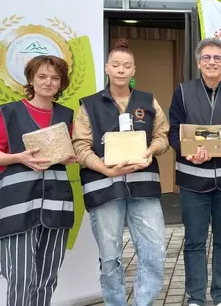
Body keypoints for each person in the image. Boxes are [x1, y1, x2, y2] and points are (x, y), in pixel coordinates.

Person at [72, 38, 170, 306]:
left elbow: (163, 135)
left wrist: (151, 151)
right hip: (103, 188)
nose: (120, 70)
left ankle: (143, 303)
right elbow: (80, 146)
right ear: (106, 68)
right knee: (110, 257)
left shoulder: (148, 101)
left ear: (134, 70)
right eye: (115, 64)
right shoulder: (89, 105)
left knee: (154, 253)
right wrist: (104, 167)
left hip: (143, 188)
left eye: (126, 65)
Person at [0, 55, 76, 306]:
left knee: (47, 277)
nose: (48, 82)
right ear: (31, 80)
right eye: (42, 76)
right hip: (17, 205)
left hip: (56, 204)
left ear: (61, 84)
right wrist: (18, 157)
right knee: (21, 277)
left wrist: (70, 158)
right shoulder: (9, 113)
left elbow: (72, 151)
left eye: (55, 78)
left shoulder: (67, 116)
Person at [168, 37, 221, 306]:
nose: (212, 62)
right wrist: (186, 151)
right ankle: (196, 297)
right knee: (194, 241)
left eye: (217, 58)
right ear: (198, 62)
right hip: (193, 180)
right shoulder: (183, 91)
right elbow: (173, 131)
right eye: (206, 57)